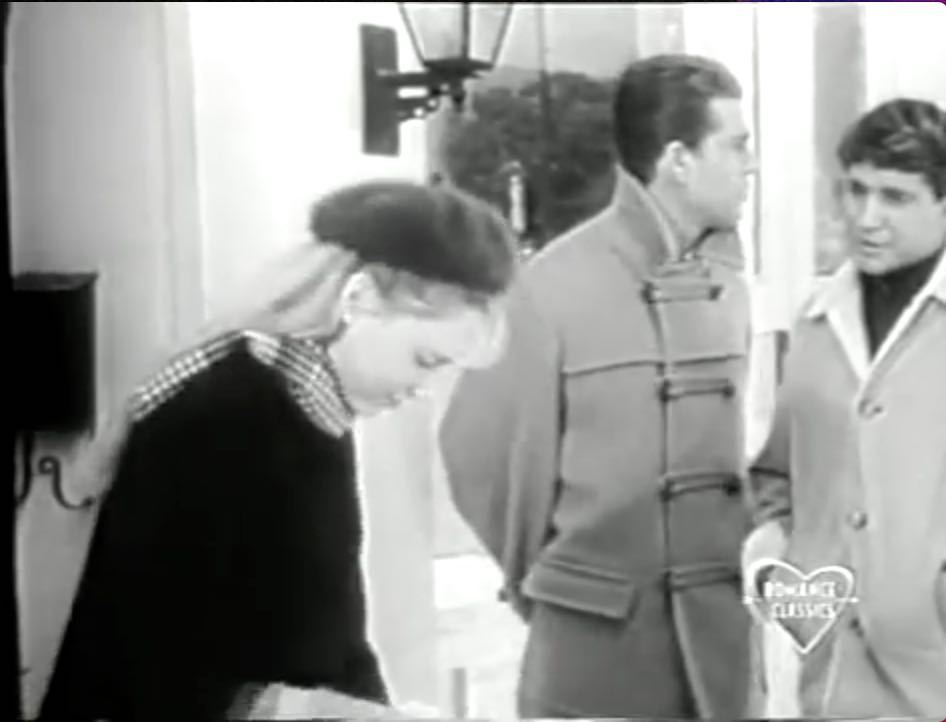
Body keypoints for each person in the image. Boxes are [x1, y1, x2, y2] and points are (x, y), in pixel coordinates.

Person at [38, 179, 517, 720]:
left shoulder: (310, 409)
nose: (420, 390)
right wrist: (325, 711)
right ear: (358, 299)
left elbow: (332, 639)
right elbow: (148, 663)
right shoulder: (220, 415)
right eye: (424, 361)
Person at [438, 53, 758, 717]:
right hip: (596, 656)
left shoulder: (730, 286)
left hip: (721, 655)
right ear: (679, 160)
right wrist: (565, 582)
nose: (750, 166)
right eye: (736, 145)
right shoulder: (551, 287)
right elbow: (477, 453)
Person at [744, 98, 946, 717]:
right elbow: (776, 476)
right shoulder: (815, 322)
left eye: (895, 197)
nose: (866, 217)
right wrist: (780, 571)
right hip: (831, 679)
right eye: (856, 191)